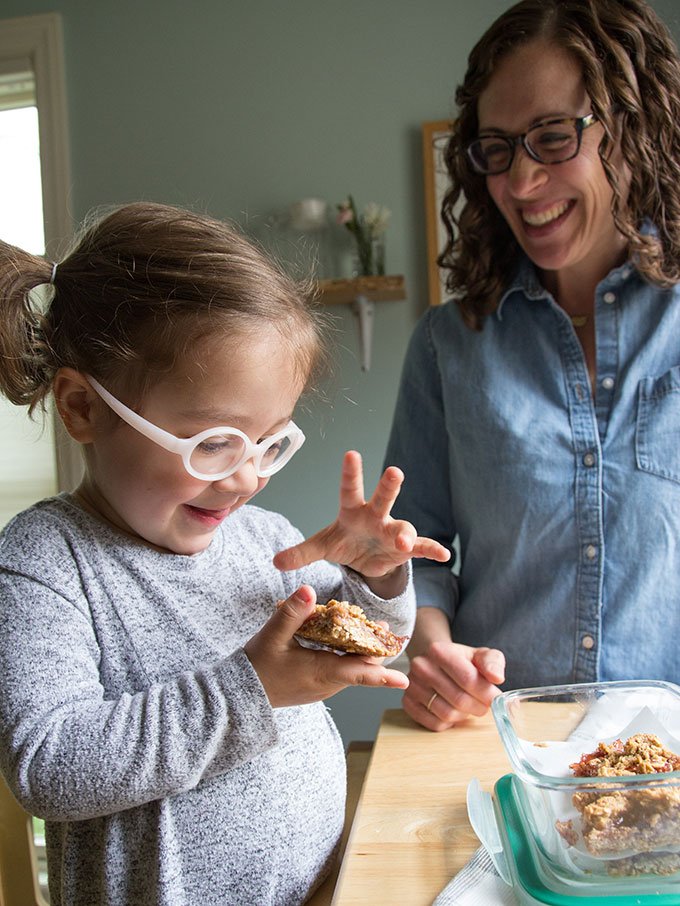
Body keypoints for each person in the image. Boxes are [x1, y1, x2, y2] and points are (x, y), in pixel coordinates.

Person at [0, 201, 450, 906]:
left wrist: (375, 578)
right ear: (84, 408)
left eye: (270, 441)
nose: (247, 477)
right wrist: (254, 690)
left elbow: (373, 654)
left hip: (325, 886)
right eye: (214, 442)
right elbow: (52, 767)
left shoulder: (263, 537)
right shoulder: (47, 561)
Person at [384, 0, 680, 732]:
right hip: (497, 746)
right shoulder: (446, 346)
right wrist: (433, 648)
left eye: (552, 138)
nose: (520, 183)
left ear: (632, 129)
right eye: (497, 149)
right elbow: (411, 551)